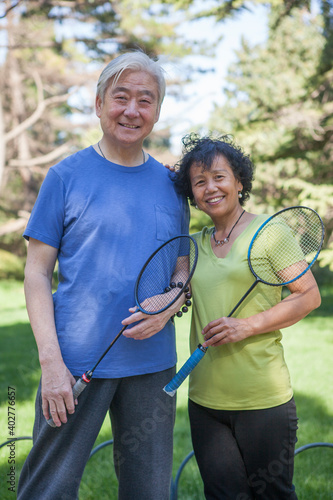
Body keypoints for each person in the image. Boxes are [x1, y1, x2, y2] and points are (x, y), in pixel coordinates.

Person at [17, 51, 189, 500]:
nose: (132, 110)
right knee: (46, 490)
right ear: (98, 104)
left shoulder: (174, 185)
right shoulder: (65, 177)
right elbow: (36, 274)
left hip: (153, 367)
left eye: (145, 100)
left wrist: (174, 297)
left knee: (149, 492)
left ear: (157, 112)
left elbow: (181, 263)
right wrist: (51, 364)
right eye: (121, 97)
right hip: (75, 363)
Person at [172, 133, 321, 500]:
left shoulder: (271, 232)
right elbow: (176, 288)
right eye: (199, 181)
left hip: (263, 399)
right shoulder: (193, 244)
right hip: (205, 401)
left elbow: (309, 297)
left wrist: (247, 325)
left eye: (219, 177)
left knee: (271, 494)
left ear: (240, 181)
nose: (211, 188)